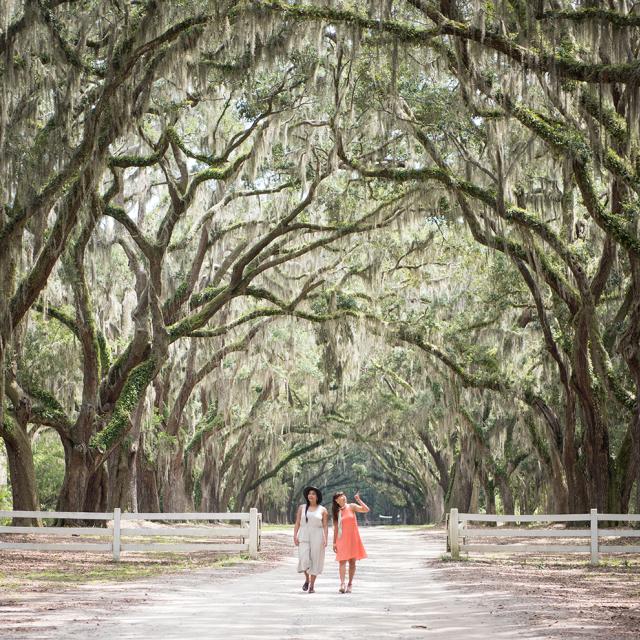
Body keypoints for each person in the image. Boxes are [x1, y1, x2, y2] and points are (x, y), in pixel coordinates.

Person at [332, 491, 369, 593]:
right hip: (341, 539)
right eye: (340, 496)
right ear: (336, 500)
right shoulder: (336, 512)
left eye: (344, 495)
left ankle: (350, 584)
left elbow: (366, 509)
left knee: (352, 562)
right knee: (342, 561)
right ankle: (342, 583)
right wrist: (334, 542)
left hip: (353, 538)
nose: (343, 497)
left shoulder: (351, 507)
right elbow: (335, 528)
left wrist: (359, 500)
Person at [293, 486, 328, 593]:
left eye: (313, 494)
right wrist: (295, 535)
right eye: (309, 494)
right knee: (304, 559)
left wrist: (326, 538)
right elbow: (298, 522)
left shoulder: (323, 510)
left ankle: (312, 585)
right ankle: (307, 579)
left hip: (317, 536)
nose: (310, 495)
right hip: (304, 534)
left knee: (315, 560)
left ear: (317, 497)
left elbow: (325, 526)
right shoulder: (302, 508)